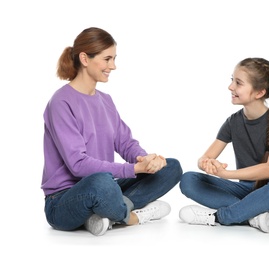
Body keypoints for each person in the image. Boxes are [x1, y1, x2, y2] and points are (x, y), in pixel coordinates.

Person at [41, 27, 183, 236]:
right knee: (101, 182)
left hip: (104, 186)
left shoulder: (105, 100)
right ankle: (131, 216)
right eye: (107, 59)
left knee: (171, 167)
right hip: (62, 201)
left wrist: (145, 159)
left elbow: (125, 142)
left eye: (114, 59)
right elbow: (78, 165)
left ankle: (101, 215)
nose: (113, 66)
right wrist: (134, 169)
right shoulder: (61, 103)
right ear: (85, 58)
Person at [178, 57, 269, 233]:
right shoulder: (233, 122)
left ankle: (220, 217)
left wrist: (226, 174)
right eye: (232, 80)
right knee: (189, 179)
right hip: (248, 190)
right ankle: (254, 215)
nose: (231, 87)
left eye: (238, 83)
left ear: (259, 93)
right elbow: (206, 157)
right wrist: (207, 164)